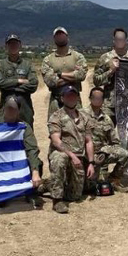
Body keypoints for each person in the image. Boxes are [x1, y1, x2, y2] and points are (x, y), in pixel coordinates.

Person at [0, 95, 44, 202]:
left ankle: (31, 192)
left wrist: (35, 171)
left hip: (17, 162)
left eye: (13, 109)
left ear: (18, 111)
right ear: (4, 108)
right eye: (8, 108)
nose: (10, 111)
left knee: (37, 162)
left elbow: (32, 149)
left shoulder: (24, 127)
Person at [48, 85, 96, 214]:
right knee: (59, 158)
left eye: (73, 96)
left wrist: (91, 163)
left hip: (79, 159)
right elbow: (56, 141)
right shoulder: (56, 116)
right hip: (64, 154)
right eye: (68, 96)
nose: (71, 98)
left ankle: (48, 184)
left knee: (75, 196)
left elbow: (89, 141)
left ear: (78, 98)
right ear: (62, 99)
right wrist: (72, 156)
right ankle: (57, 200)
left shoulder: (84, 117)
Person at [84, 87, 128, 193]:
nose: (97, 100)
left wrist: (106, 151)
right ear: (90, 98)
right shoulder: (81, 115)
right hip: (85, 155)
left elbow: (115, 142)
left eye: (100, 98)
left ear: (103, 100)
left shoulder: (106, 119)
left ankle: (114, 181)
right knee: (86, 188)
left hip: (102, 154)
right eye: (95, 97)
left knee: (125, 155)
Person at [93, 28, 128, 122]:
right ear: (114, 41)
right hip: (109, 105)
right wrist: (111, 71)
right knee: (105, 129)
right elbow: (96, 81)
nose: (119, 41)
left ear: (126, 41)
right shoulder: (105, 58)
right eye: (117, 39)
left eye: (121, 39)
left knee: (127, 131)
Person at [0, 34, 38, 126]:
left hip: (25, 109)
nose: (13, 46)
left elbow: (33, 84)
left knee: (26, 133)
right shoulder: (0, 65)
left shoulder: (28, 65)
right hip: (6, 107)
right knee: (5, 132)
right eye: (10, 44)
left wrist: (9, 86)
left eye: (15, 44)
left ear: (20, 45)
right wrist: (19, 81)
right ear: (6, 46)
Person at [42, 27, 87, 121]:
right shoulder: (48, 59)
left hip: (75, 100)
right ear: (54, 39)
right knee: (55, 127)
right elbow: (50, 81)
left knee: (78, 127)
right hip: (56, 101)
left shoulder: (78, 56)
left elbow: (81, 75)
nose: (60, 37)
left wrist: (59, 74)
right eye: (57, 35)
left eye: (62, 34)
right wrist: (73, 77)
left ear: (67, 37)